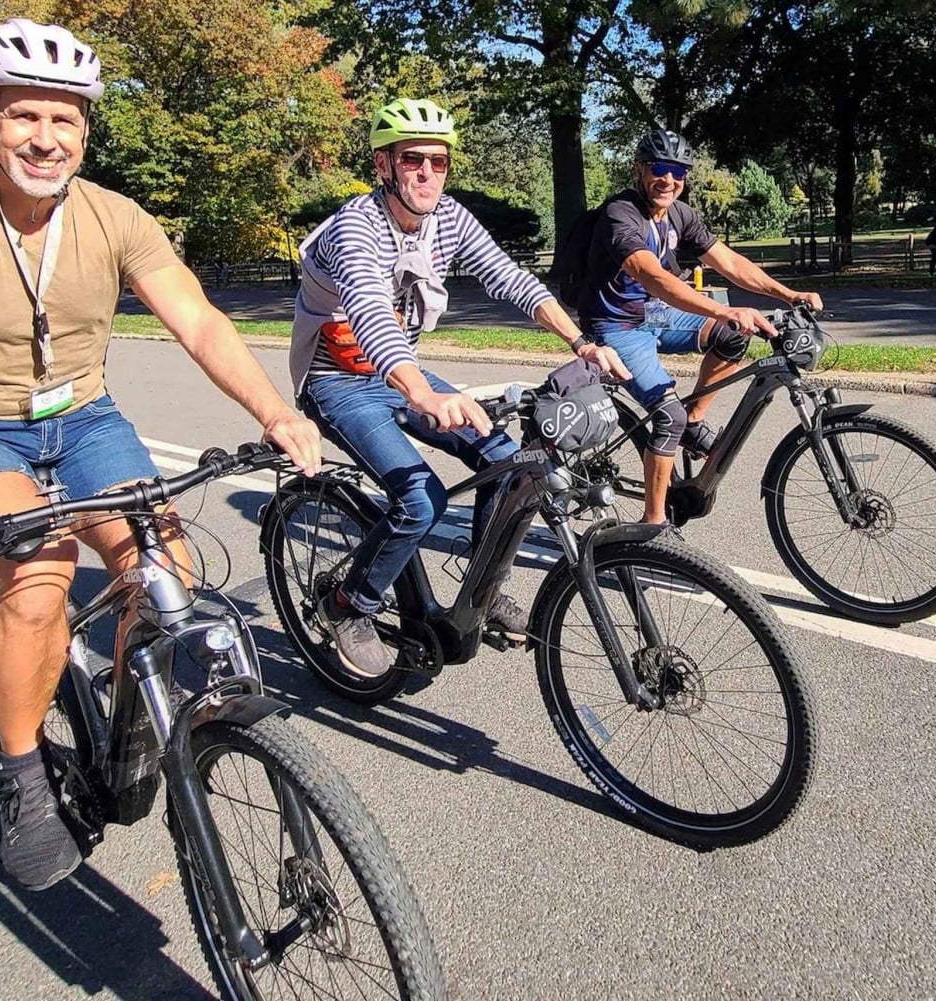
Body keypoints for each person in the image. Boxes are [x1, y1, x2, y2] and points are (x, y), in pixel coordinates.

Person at [0, 18, 322, 892]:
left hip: (85, 420)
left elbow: (198, 319)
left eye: (65, 119)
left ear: (86, 130)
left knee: (165, 570)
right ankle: (21, 770)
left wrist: (275, 411)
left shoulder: (115, 216)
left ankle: (131, 729)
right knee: (38, 571)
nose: (45, 138)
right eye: (23, 115)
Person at [290, 97, 629, 678]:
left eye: (439, 162)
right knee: (421, 499)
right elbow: (369, 313)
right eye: (412, 159)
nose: (427, 173)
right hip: (338, 382)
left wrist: (583, 344)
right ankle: (350, 603)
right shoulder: (355, 228)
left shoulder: (447, 219)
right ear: (383, 164)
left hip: (403, 375)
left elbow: (510, 279)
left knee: (508, 462)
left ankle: (483, 587)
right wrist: (423, 395)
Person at [575, 126, 823, 525]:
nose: (668, 180)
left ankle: (694, 421)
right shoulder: (620, 215)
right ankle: (653, 527)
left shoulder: (679, 214)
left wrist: (789, 294)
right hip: (617, 326)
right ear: (639, 169)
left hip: (656, 314)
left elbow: (730, 262)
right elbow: (655, 278)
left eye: (678, 172)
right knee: (666, 416)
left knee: (731, 337)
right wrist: (722, 310)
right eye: (658, 168)